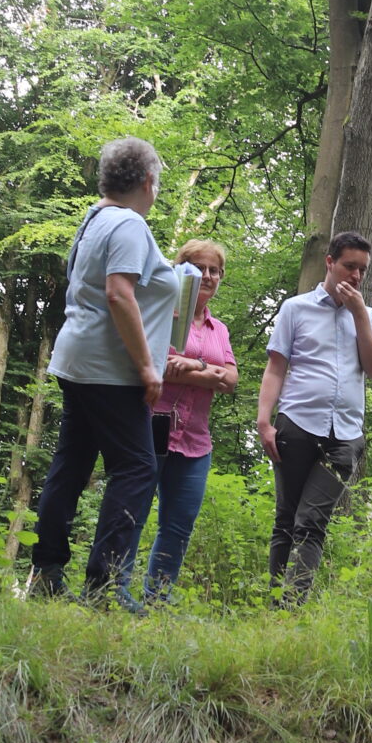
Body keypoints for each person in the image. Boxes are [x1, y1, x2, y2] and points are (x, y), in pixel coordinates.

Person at [29, 138, 179, 603]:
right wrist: (148, 369)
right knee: (135, 468)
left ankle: (46, 575)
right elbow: (118, 293)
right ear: (148, 183)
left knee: (71, 464)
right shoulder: (130, 224)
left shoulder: (94, 219)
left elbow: (108, 289)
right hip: (110, 369)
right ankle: (104, 586)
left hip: (76, 360)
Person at [257, 232, 372, 601]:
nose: (356, 275)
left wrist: (360, 312)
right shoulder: (295, 309)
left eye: (363, 269)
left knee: (312, 519)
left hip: (344, 435)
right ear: (330, 263)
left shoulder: (368, 316)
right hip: (296, 426)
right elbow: (275, 368)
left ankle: (293, 606)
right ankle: (274, 605)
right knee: (287, 518)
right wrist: (264, 422)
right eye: (350, 266)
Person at [129, 238, 238, 604]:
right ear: (182, 271)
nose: (206, 276)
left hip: (195, 441)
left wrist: (194, 366)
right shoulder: (162, 312)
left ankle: (156, 598)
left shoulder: (218, 330)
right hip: (151, 428)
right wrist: (210, 374)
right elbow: (151, 367)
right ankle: (112, 589)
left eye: (214, 270)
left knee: (177, 526)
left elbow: (232, 380)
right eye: (198, 267)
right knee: (133, 514)